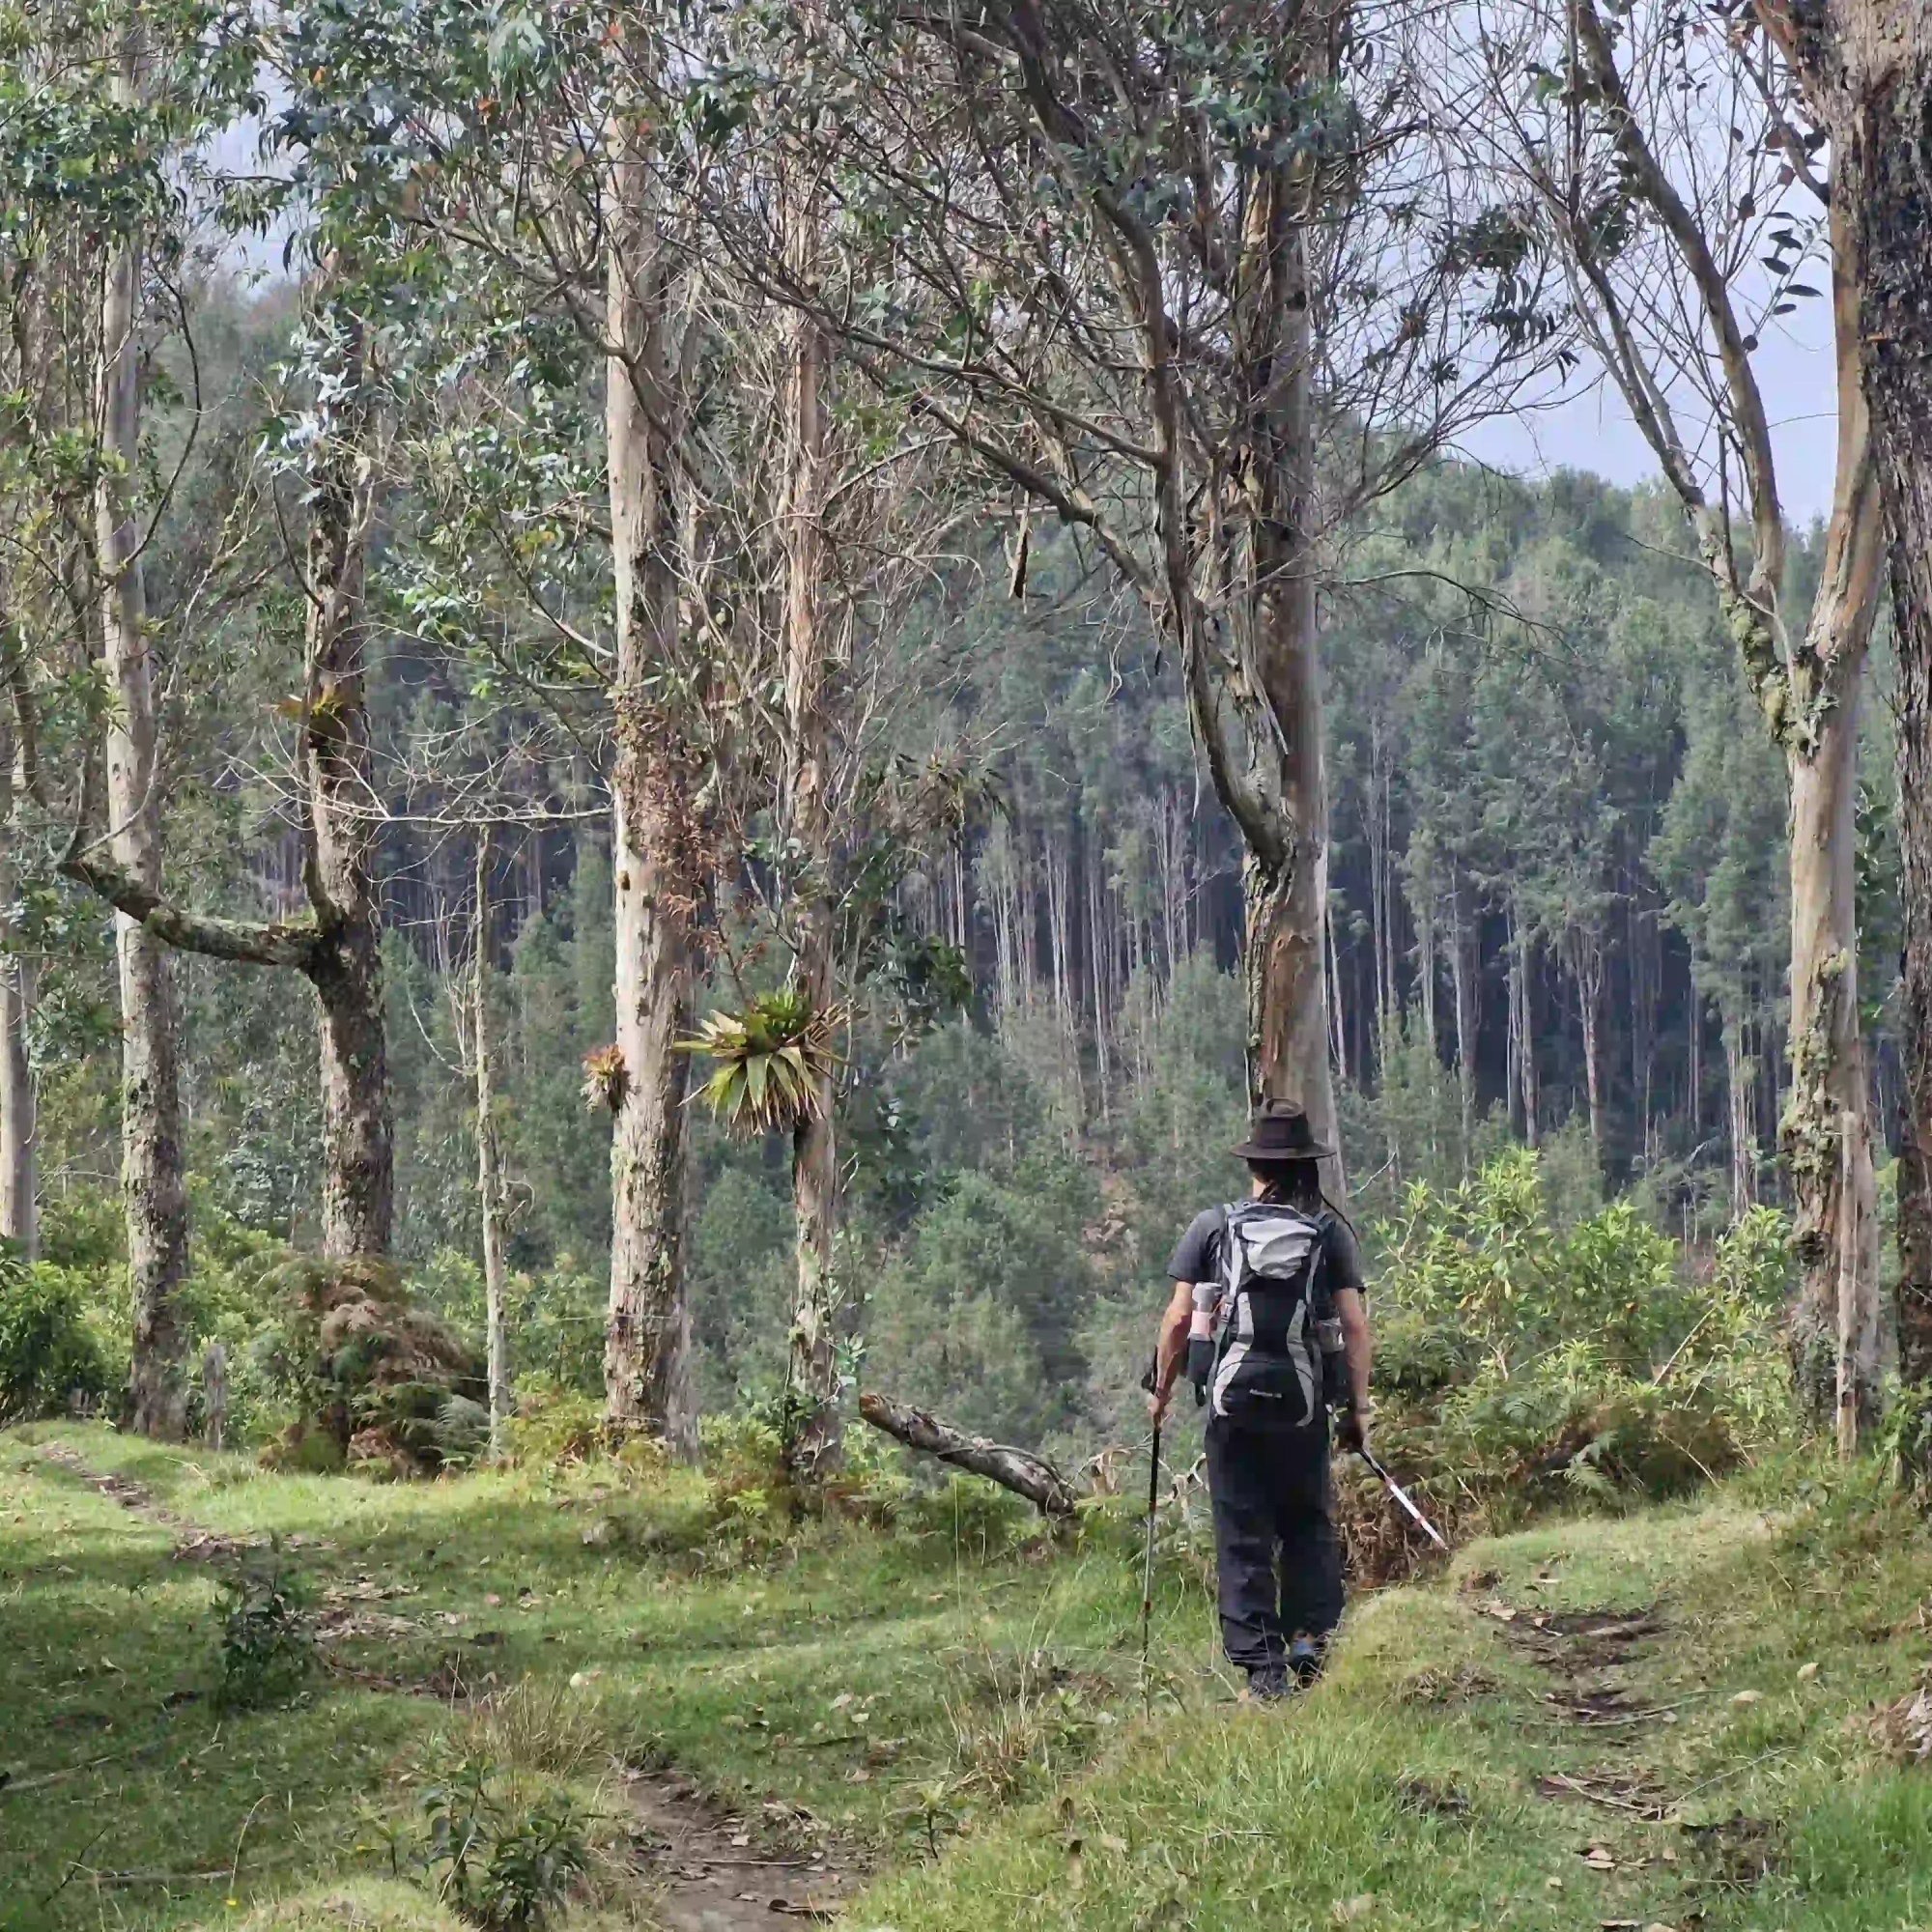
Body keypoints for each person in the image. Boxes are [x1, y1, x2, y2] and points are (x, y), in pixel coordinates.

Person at [1147, 1100, 1374, 1702]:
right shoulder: (1327, 1234)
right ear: (1305, 1168)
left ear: (1254, 1163)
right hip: (1303, 1410)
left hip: (1234, 1411)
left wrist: (1162, 1390)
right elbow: (1353, 1325)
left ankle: (1262, 1671)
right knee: (1307, 1523)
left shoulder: (1213, 1227)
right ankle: (1309, 1643)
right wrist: (1357, 1409)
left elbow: (1177, 1318)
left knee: (1242, 1531)